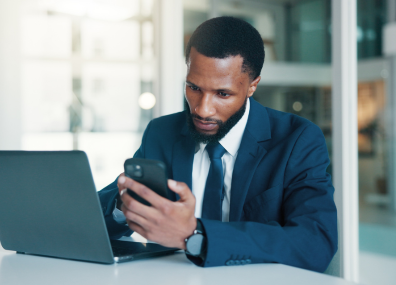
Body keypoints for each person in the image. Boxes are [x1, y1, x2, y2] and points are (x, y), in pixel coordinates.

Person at [98, 16, 337, 272]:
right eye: (193, 87)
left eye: (223, 94)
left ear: (252, 86)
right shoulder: (162, 132)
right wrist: (123, 206)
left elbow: (316, 243)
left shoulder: (297, 140)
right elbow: (96, 216)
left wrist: (194, 234)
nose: (202, 109)